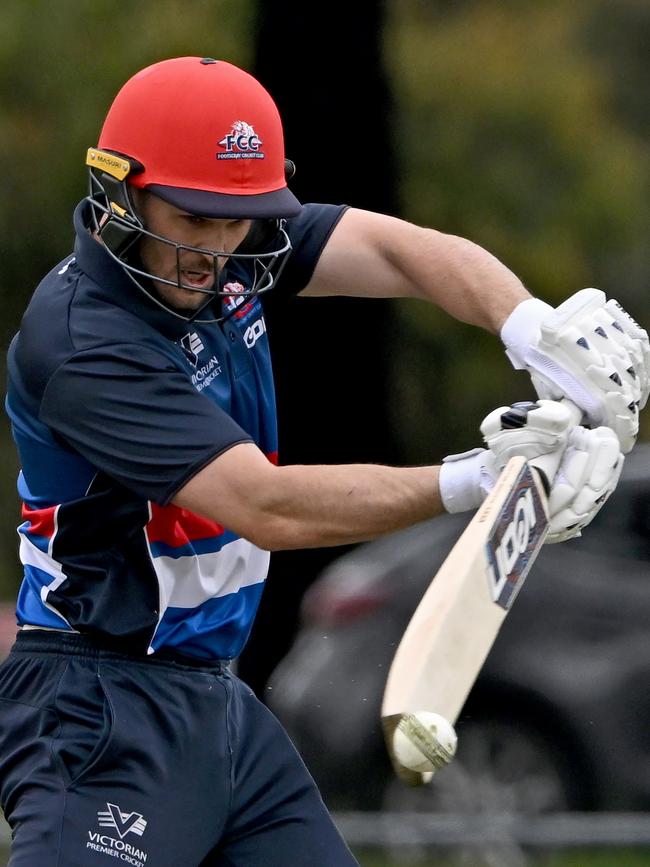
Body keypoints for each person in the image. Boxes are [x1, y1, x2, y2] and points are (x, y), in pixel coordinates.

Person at [0, 56, 647, 867]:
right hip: (97, 709)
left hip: (216, 702)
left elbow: (403, 249)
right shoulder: (82, 344)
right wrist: (481, 478)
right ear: (119, 191)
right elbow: (266, 505)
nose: (218, 249)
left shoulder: (227, 248)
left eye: (238, 219)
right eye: (196, 217)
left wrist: (534, 331)